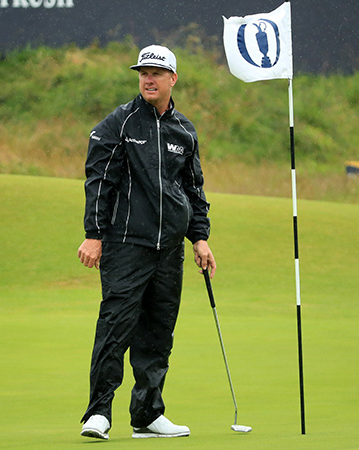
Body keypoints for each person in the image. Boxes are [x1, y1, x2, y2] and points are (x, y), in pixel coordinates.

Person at [77, 44, 216, 440]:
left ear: (173, 79)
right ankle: (98, 414)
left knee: (158, 333)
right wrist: (94, 234)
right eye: (143, 73)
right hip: (125, 244)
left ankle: (148, 415)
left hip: (169, 250)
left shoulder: (183, 130)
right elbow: (99, 181)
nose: (148, 79)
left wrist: (200, 238)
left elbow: (193, 189)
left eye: (156, 73)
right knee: (115, 327)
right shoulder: (118, 124)